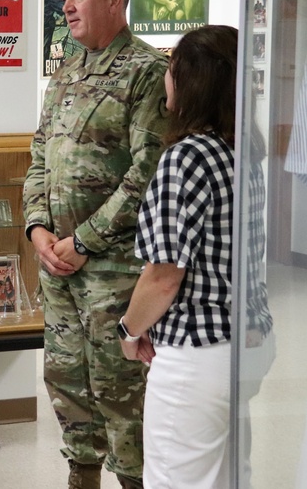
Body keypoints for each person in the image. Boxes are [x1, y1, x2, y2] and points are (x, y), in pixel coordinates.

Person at [22, 0, 170, 489]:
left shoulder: (147, 71)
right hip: (58, 267)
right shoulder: (66, 70)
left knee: (119, 389)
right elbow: (39, 154)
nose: (66, 6)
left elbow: (148, 171)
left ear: (115, 0)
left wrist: (83, 241)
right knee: (67, 382)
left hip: (114, 268)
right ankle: (80, 477)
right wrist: (38, 230)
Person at [121, 25, 273, 488]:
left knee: (176, 479)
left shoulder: (186, 157)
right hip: (248, 341)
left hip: (197, 355)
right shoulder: (242, 150)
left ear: (190, 81)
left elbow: (164, 275)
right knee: (230, 476)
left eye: (172, 70)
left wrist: (130, 329)